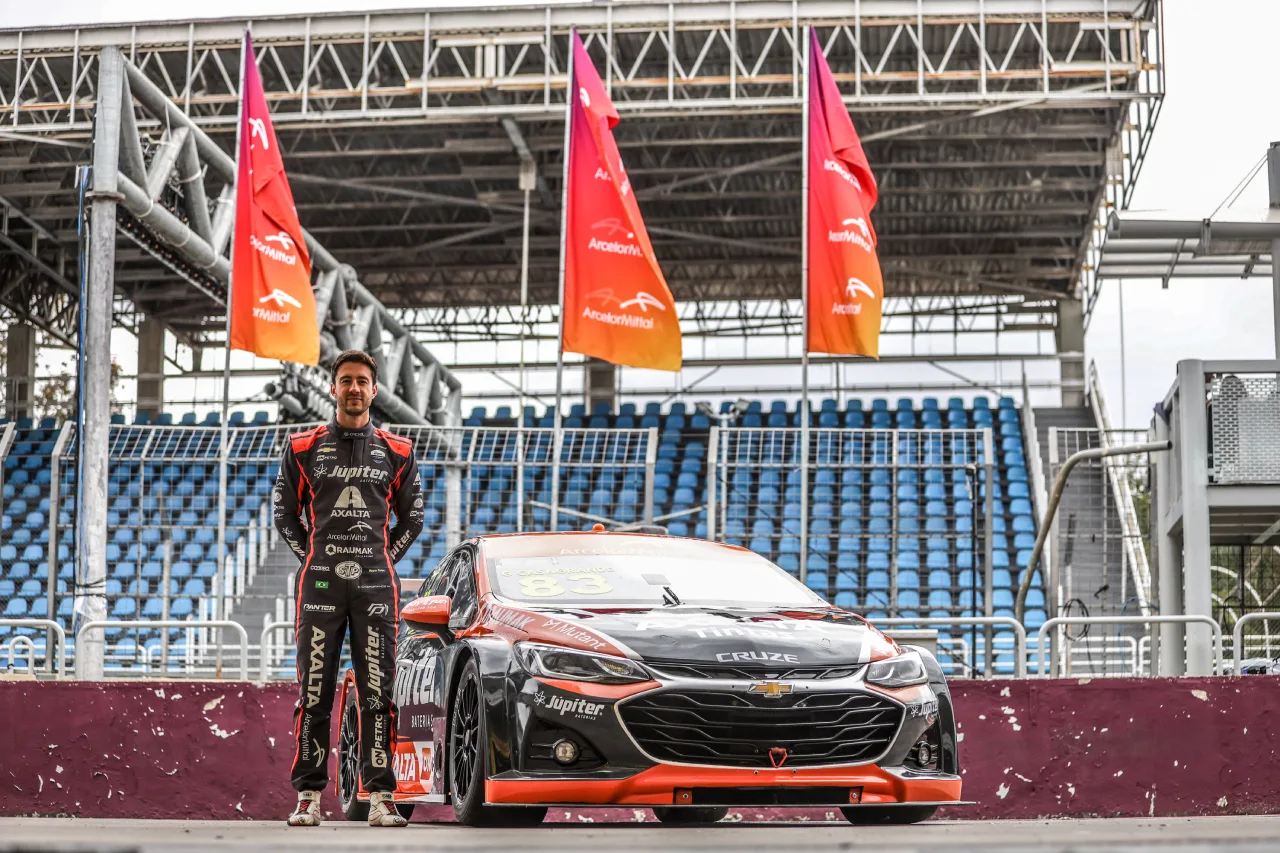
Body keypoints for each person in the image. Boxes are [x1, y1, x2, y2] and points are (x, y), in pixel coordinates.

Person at [274, 349, 424, 827]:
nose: (354, 388)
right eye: (346, 381)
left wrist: (380, 560)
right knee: (314, 691)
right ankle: (308, 798)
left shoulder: (399, 451)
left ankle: (380, 797)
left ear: (374, 390)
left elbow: (414, 517)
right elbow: (284, 515)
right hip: (319, 586)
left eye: (362, 381)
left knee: (378, 693)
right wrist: (316, 560)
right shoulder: (302, 446)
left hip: (377, 588)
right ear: (333, 388)